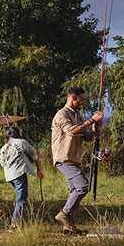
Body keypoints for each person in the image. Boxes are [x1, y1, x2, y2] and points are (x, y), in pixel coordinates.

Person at [51, 87, 104, 234]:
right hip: (64, 159)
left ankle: (68, 228)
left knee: (74, 191)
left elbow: (86, 137)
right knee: (83, 187)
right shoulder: (61, 114)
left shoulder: (77, 115)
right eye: (81, 99)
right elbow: (71, 131)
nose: (83, 102)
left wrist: (94, 129)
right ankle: (63, 214)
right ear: (73, 97)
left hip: (73, 159)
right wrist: (91, 120)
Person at [0, 127, 44, 228]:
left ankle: (21, 219)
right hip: (19, 174)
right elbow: (34, 156)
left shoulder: (3, 148)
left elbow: (2, 164)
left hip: (9, 177)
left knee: (21, 197)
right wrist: (40, 170)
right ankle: (14, 224)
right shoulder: (22, 142)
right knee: (22, 200)